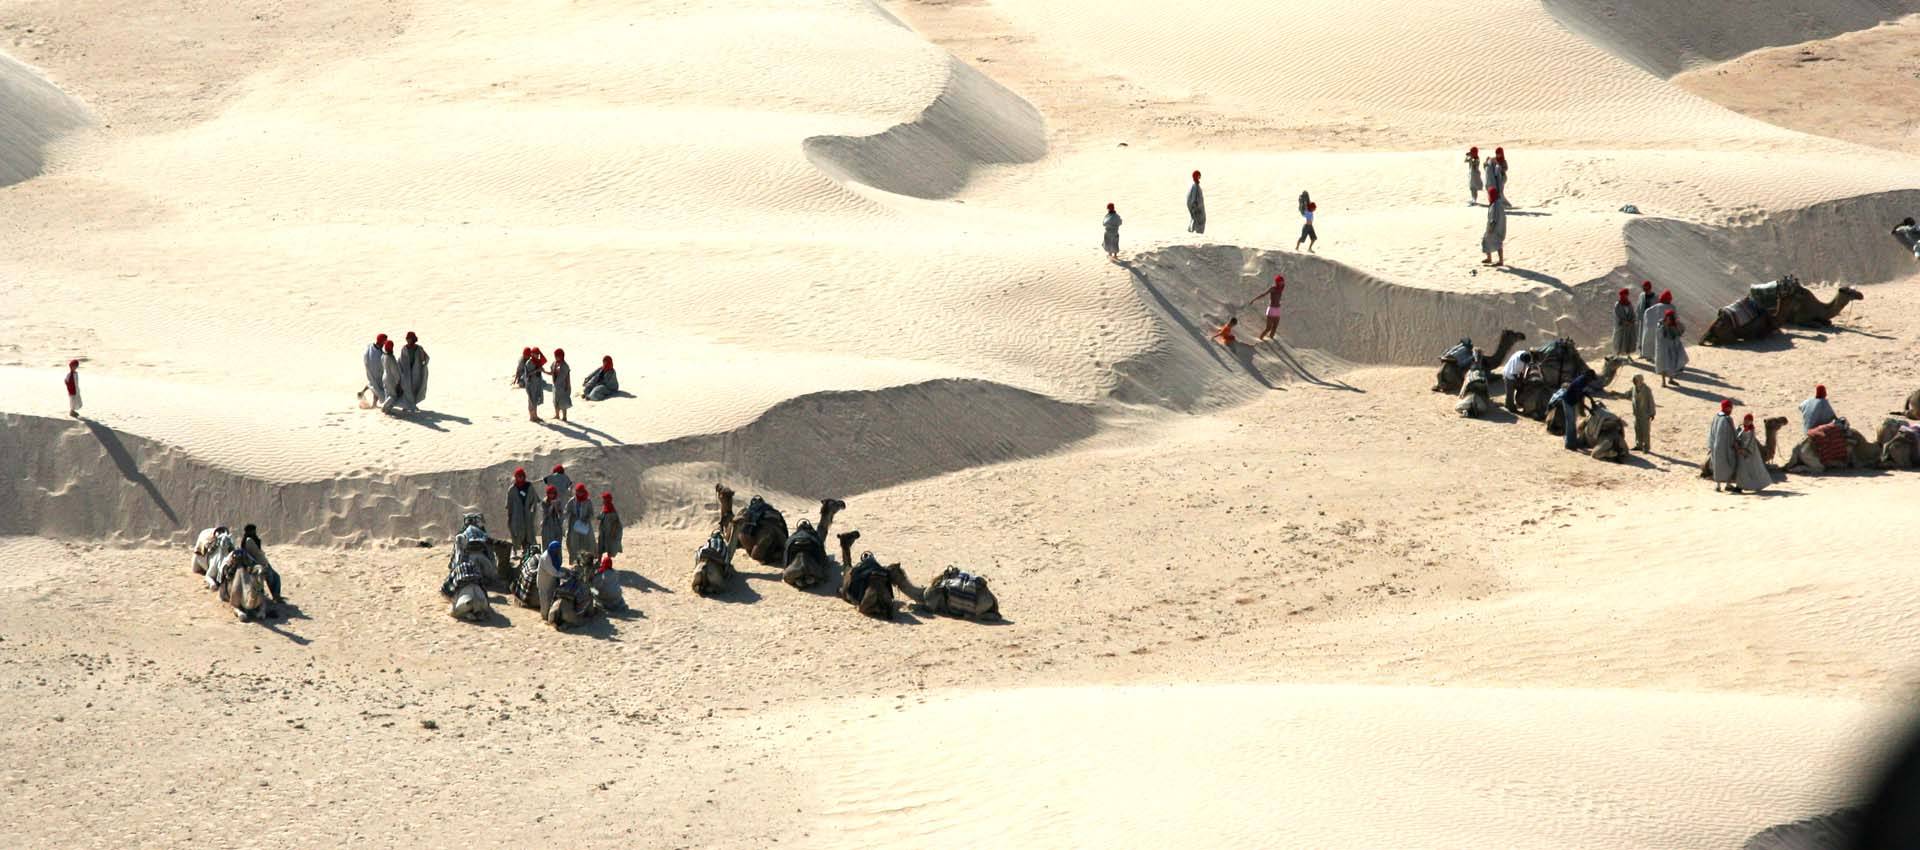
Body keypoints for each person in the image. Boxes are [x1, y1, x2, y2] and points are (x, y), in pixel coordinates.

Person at [240, 524, 284, 604]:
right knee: (271, 578)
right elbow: (255, 553)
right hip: (259, 564)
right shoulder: (249, 541)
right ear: (249, 531)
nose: (254, 532)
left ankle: (276, 596)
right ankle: (275, 597)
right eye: (253, 530)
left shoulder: (252, 539)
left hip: (263, 562)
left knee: (276, 577)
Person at [1552, 370, 1593, 450]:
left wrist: (1591, 400)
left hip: (1572, 401)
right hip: (1568, 402)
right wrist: (1588, 408)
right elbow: (1579, 398)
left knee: (1572, 422)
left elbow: (1584, 393)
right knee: (1570, 423)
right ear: (1588, 377)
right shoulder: (1580, 381)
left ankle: (1573, 442)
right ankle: (1569, 444)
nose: (1591, 381)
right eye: (1591, 379)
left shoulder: (1584, 381)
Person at [1707, 399, 1740, 493]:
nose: (1731, 409)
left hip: (1715, 446)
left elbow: (1711, 432)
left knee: (1717, 466)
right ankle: (1728, 485)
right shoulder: (1727, 419)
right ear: (1727, 408)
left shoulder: (1716, 417)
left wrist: (1711, 445)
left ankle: (1718, 486)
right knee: (1730, 464)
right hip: (1726, 447)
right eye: (1730, 407)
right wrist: (1735, 442)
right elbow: (1730, 434)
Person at [1735, 413, 1772, 493]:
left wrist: (1743, 450)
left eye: (1748, 420)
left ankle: (1742, 486)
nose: (1746, 421)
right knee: (1742, 470)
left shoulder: (1751, 431)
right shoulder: (1741, 429)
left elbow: (1749, 443)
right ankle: (1739, 486)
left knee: (1751, 470)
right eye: (1745, 420)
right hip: (1741, 452)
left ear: (1751, 421)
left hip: (1748, 454)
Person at [506, 467, 538, 552]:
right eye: (518, 476)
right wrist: (510, 519)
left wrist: (532, 512)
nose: (520, 478)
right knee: (519, 537)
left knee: (530, 537)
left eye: (521, 476)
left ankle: (530, 552)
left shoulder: (529, 487)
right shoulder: (512, 490)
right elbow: (509, 506)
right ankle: (520, 552)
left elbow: (535, 500)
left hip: (528, 518)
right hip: (517, 519)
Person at [397, 331, 429, 411]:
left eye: (410, 339)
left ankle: (413, 405)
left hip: (416, 372)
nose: (408, 340)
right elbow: (401, 360)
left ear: (413, 339)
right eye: (407, 339)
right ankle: (406, 406)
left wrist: (423, 365)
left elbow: (426, 358)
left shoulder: (419, 349)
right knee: (406, 389)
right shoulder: (404, 348)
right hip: (406, 372)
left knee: (415, 389)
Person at [565, 483, 596, 568]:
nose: (579, 493)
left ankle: (587, 563)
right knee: (574, 544)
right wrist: (571, 515)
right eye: (578, 491)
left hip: (585, 526)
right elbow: (566, 511)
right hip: (574, 526)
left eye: (581, 492)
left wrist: (587, 518)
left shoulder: (588, 501)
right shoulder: (572, 501)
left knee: (587, 544)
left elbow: (592, 514)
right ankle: (576, 563)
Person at [1656, 309, 1688, 387]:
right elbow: (1659, 334)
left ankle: (1671, 379)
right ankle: (1663, 382)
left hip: (1673, 346)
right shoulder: (1661, 323)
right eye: (1668, 317)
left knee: (1672, 363)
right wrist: (1665, 325)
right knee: (1663, 364)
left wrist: (1677, 323)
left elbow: (1681, 330)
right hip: (1663, 347)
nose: (1669, 319)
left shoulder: (1675, 324)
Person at [1640, 290, 1673, 361]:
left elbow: (1647, 312)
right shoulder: (1671, 307)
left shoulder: (1655, 307)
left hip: (1656, 329)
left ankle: (1650, 356)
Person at [1251, 274, 1285, 341]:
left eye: (1282, 281)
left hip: (1277, 309)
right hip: (1272, 309)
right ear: (1277, 282)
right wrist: (1254, 299)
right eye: (1280, 281)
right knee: (1268, 328)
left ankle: (1271, 340)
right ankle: (1260, 339)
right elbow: (1264, 294)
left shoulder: (1281, 289)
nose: (1282, 283)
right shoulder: (1273, 288)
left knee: (1275, 327)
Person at [1481, 187, 1508, 266]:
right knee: (1488, 241)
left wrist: (1490, 229)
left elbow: (1494, 218)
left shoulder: (1495, 205)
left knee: (1495, 242)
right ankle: (1489, 258)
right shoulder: (1497, 203)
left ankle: (1500, 261)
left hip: (1495, 228)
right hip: (1499, 226)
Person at [1630, 373, 1655, 452]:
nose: (1634, 382)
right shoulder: (1633, 388)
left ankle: (1646, 447)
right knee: (1637, 429)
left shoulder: (1647, 389)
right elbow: (1629, 396)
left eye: (1635, 380)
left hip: (1645, 414)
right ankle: (1639, 445)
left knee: (1645, 431)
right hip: (1637, 413)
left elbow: (1651, 401)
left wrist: (1652, 413)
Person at [519, 348, 546, 422]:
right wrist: (537, 370)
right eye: (536, 354)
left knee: (535, 399)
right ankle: (531, 417)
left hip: (537, 383)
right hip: (531, 384)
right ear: (532, 354)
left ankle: (535, 416)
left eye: (538, 354)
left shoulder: (537, 361)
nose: (537, 355)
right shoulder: (529, 362)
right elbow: (527, 374)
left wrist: (541, 369)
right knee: (531, 400)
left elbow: (543, 361)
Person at [1610, 288, 1637, 359]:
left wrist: (1632, 321)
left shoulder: (1629, 304)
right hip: (1621, 328)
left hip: (1629, 327)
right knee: (1619, 341)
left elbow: (1633, 313)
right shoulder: (1618, 305)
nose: (1624, 296)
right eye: (1623, 295)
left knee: (1628, 341)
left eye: (1626, 295)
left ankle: (1628, 356)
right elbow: (1616, 316)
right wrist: (1623, 322)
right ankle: (1617, 356)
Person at [597, 491, 624, 561]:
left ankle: (607, 561)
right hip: (603, 531)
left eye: (604, 499)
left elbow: (616, 523)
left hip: (609, 532)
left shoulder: (612, 511)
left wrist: (613, 532)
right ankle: (599, 561)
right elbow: (601, 517)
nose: (603, 501)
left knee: (609, 547)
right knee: (600, 546)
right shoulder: (605, 508)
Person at [363, 333, 388, 406]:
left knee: (372, 384)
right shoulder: (379, 354)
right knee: (377, 388)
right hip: (376, 373)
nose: (385, 343)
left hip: (370, 371)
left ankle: (363, 393)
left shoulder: (370, 346)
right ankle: (374, 404)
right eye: (384, 341)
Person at [379, 339, 403, 413]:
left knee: (388, 394)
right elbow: (395, 371)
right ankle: (384, 406)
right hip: (390, 378)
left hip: (384, 376)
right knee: (393, 396)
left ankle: (387, 410)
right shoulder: (391, 358)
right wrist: (398, 381)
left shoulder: (383, 355)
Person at [540, 484, 565, 551]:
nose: (551, 495)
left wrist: (556, 507)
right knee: (547, 544)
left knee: (557, 544)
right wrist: (551, 506)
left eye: (553, 493)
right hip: (547, 524)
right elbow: (546, 514)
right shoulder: (544, 502)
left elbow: (561, 513)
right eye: (550, 493)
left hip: (556, 524)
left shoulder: (558, 501)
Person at [551, 348, 572, 422]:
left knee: (563, 402)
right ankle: (557, 415)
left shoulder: (565, 366)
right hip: (556, 386)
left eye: (557, 356)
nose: (556, 357)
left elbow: (567, 377)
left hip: (563, 386)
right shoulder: (554, 363)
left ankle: (564, 417)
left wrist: (568, 386)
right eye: (555, 356)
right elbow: (552, 373)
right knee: (555, 401)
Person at [1186, 170, 1205, 234]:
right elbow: (1193, 199)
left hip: (1197, 208)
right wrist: (1195, 208)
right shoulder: (1195, 187)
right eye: (1199, 176)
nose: (1200, 177)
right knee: (1197, 221)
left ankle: (1192, 232)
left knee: (1195, 220)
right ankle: (1194, 234)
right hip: (1197, 209)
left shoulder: (1195, 186)